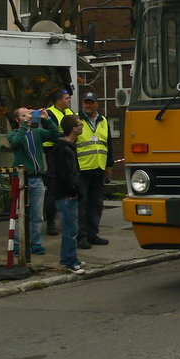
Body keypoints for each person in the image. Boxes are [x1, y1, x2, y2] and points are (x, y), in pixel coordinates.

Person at [6, 107, 59, 256]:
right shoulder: (14, 133)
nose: (28, 117)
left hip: (37, 178)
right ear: (17, 120)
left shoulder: (37, 133)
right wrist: (24, 125)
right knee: (20, 214)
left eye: (28, 114)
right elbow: (16, 143)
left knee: (37, 215)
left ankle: (36, 243)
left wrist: (46, 119)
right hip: (22, 178)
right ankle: (18, 245)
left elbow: (55, 135)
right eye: (23, 115)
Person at [76, 92, 113, 249]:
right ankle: (81, 236)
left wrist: (109, 166)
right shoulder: (76, 120)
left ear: (97, 104)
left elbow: (108, 145)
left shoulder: (103, 121)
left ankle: (93, 234)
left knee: (96, 204)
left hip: (98, 169)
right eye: (86, 102)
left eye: (91, 102)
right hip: (82, 169)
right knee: (82, 204)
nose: (88, 105)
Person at [55, 114, 86, 274]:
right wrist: (72, 191)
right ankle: (69, 261)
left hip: (68, 193)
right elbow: (65, 174)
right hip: (67, 195)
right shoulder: (65, 149)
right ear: (73, 128)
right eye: (80, 125)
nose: (82, 127)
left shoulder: (67, 147)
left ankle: (71, 258)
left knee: (71, 228)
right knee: (70, 229)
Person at [42, 88, 76, 235]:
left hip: (68, 151)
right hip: (53, 153)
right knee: (53, 187)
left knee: (69, 184)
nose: (69, 100)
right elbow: (52, 134)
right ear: (59, 100)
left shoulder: (70, 112)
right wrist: (67, 134)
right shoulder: (49, 113)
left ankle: (68, 219)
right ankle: (50, 222)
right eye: (66, 98)